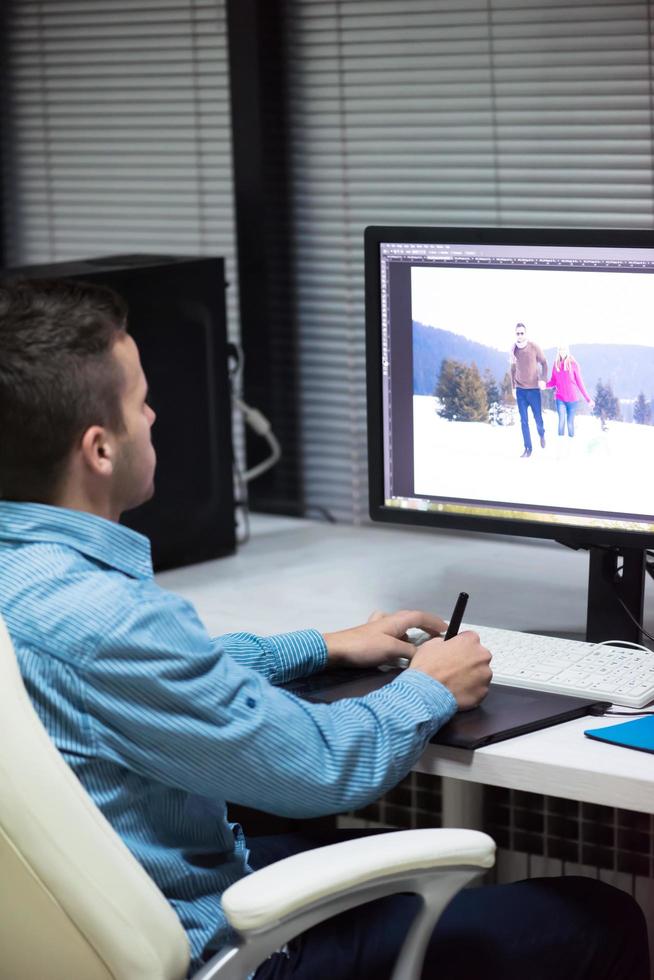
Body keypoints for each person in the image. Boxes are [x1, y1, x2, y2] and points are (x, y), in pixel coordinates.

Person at [0, 278, 648, 980]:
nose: (155, 416)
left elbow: (155, 673)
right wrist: (427, 688)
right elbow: (323, 764)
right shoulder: (111, 620)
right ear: (99, 450)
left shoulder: (41, 592)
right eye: (140, 402)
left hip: (101, 920)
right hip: (224, 954)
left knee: (308, 840)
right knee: (596, 919)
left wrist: (319, 646)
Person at [510, 322, 548, 458]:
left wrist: (543, 379)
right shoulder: (514, 349)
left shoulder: (534, 347)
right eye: (517, 333)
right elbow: (513, 369)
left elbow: (544, 363)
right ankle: (528, 448)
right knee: (523, 420)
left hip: (533, 390)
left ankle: (542, 434)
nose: (519, 336)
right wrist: (513, 387)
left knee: (538, 418)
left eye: (522, 333)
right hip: (520, 390)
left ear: (526, 334)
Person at [546, 344, 594, 439]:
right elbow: (553, 381)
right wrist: (545, 385)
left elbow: (580, 383)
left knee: (570, 423)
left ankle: (571, 445)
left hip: (572, 400)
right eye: (560, 349)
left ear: (567, 351)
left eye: (564, 349)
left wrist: (588, 399)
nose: (562, 351)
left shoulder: (573, 365)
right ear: (558, 351)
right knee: (561, 421)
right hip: (560, 398)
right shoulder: (556, 365)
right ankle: (560, 445)